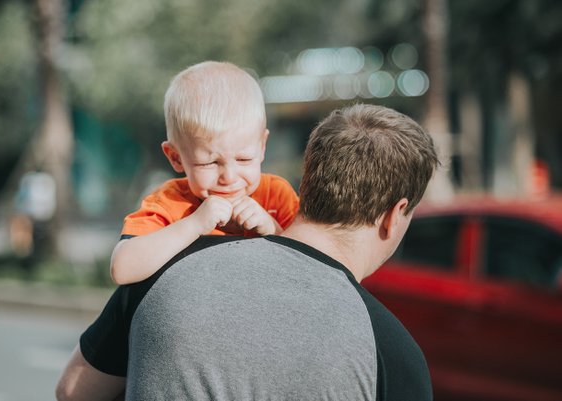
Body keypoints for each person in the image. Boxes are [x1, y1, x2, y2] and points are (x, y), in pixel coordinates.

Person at [56, 103, 439, 401]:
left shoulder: (165, 271)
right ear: (394, 215)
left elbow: (73, 391)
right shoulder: (392, 352)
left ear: (308, 182)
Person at [110, 61, 299, 285]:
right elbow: (122, 270)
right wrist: (194, 224)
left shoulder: (276, 196)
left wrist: (273, 230)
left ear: (262, 147)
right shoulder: (169, 203)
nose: (229, 177)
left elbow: (311, 268)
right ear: (175, 157)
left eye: (244, 159)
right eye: (209, 163)